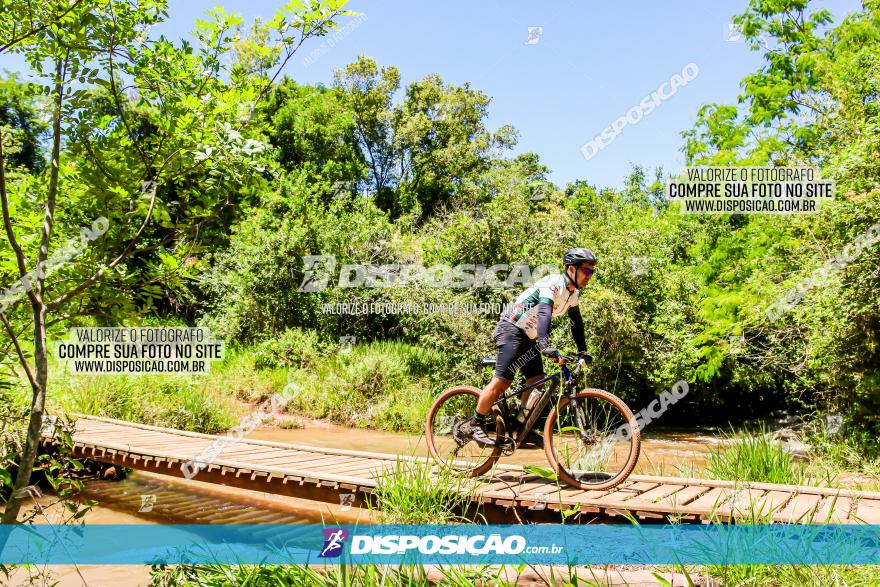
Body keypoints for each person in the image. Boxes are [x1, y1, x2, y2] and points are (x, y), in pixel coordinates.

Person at [455, 248, 596, 447]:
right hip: (511, 328)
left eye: (592, 272)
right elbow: (545, 313)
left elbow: (576, 323)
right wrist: (544, 345)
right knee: (503, 381)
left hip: (529, 336)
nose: (590, 276)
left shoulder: (573, 294)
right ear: (571, 269)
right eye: (587, 271)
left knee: (536, 382)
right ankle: (474, 423)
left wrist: (583, 350)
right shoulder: (553, 284)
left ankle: (522, 428)